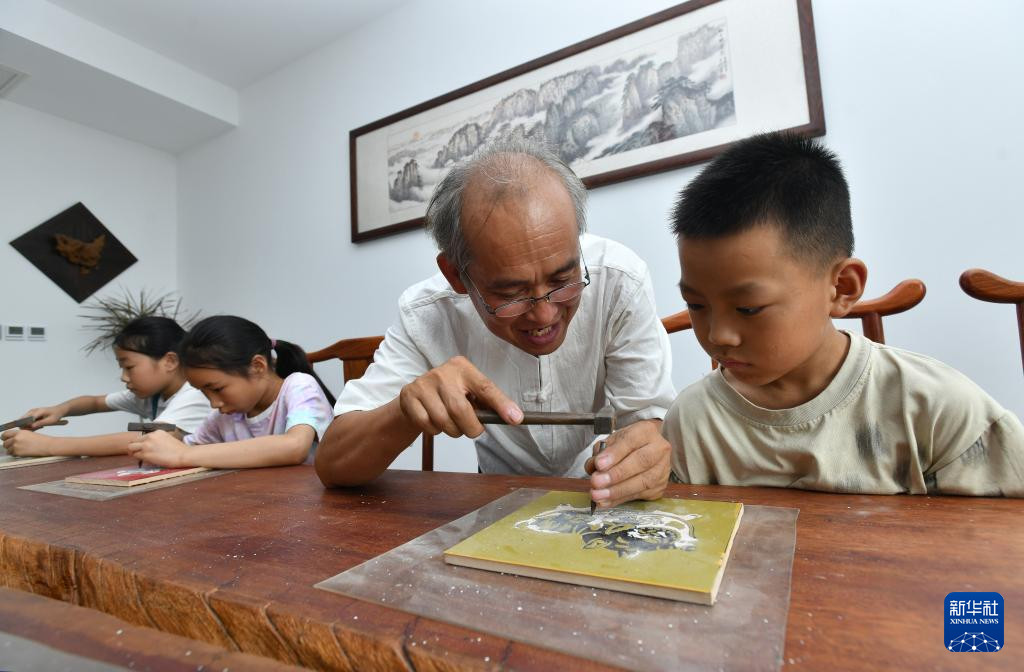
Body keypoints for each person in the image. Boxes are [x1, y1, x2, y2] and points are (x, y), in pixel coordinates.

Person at [316, 138, 677, 509]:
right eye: (511, 293)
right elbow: (332, 464)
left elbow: (647, 422)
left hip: (602, 496)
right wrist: (403, 413)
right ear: (456, 275)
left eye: (562, 280)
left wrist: (648, 452)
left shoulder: (619, 281)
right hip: (494, 499)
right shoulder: (428, 313)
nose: (544, 315)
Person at [663, 131, 1024, 496]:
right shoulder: (694, 422)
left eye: (748, 308)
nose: (718, 335)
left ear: (842, 288)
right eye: (696, 304)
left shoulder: (932, 407)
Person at [127, 315, 335, 469]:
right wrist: (169, 442)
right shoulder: (223, 418)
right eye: (204, 392)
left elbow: (294, 447)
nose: (214, 403)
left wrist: (183, 455)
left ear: (258, 366)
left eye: (217, 389)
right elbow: (186, 445)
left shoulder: (298, 386)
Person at [1, 316, 211, 457]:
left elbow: (148, 438)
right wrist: (59, 410)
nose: (124, 377)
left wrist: (48, 446)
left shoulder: (196, 394)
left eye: (129, 367)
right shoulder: (153, 395)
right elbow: (95, 402)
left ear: (170, 361)